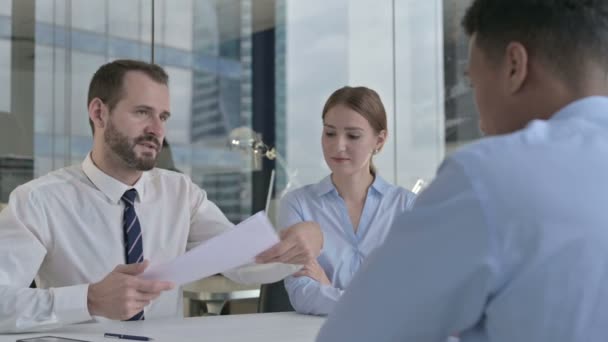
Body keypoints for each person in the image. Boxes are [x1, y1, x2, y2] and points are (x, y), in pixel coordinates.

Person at [318, 0, 608, 341]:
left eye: (473, 84)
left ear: (515, 65)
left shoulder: (491, 176)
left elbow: (352, 334)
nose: (481, 122)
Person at [0, 59, 322, 333]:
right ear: (99, 113)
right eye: (142, 112)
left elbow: (243, 261)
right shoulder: (38, 201)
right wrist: (89, 299)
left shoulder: (181, 193)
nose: (157, 129)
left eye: (163, 116)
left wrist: (303, 243)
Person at [278, 86, 416, 315]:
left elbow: (412, 295)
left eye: (353, 135)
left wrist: (327, 287)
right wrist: (377, 302)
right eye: (330, 133)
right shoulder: (297, 204)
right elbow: (303, 294)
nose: (338, 145)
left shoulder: (407, 207)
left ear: (379, 141)